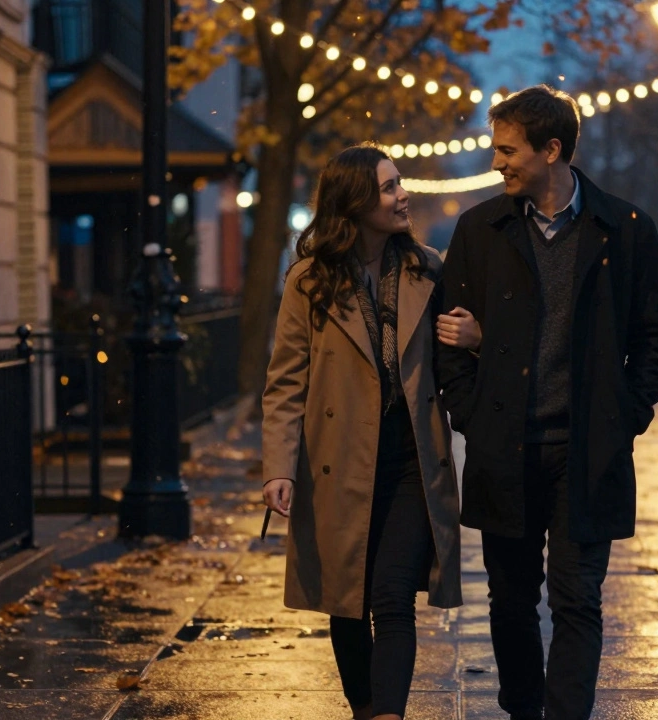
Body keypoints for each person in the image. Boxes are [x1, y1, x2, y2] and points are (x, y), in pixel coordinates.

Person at [436, 85, 658, 720]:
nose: (497, 162)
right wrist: (473, 416)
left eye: (508, 149)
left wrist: (628, 414)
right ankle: (523, 709)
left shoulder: (625, 229)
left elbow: (656, 336)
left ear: (552, 149)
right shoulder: (479, 230)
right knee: (510, 601)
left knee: (577, 599)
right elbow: (447, 341)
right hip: (504, 448)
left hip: (586, 450)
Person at [261, 143, 471, 720]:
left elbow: (454, 354)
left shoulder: (426, 268)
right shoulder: (309, 281)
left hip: (411, 462)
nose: (403, 195)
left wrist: (472, 337)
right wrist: (279, 466)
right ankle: (364, 709)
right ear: (353, 202)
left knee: (392, 599)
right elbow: (286, 380)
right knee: (347, 603)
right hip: (339, 463)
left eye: (399, 183)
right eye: (388, 187)